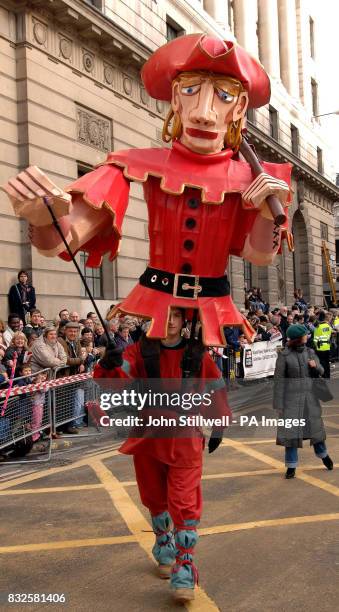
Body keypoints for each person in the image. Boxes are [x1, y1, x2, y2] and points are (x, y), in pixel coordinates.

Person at [3, 33, 292, 350]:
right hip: (153, 305)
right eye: (191, 91)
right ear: (176, 99)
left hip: (212, 308)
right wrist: (45, 218)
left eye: (223, 96)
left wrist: (266, 213)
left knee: (204, 392)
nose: (203, 113)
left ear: (239, 108)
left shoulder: (258, 180)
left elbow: (259, 256)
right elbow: (62, 242)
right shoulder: (131, 164)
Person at [94, 307, 231, 602]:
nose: (169, 321)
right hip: (148, 435)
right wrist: (109, 363)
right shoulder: (137, 351)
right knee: (154, 497)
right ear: (152, 319)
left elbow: (215, 388)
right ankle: (164, 545)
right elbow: (114, 382)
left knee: (183, 501)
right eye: (163, 315)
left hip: (184, 438)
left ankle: (184, 566)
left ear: (184, 321)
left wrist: (219, 422)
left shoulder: (198, 355)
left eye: (176, 316)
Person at [273, 323, 333, 479]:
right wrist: (279, 404)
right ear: (298, 338)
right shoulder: (284, 356)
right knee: (291, 435)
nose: (308, 336)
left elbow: (321, 370)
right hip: (291, 401)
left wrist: (315, 367)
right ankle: (291, 466)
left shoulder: (310, 352)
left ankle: (324, 455)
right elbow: (279, 382)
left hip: (310, 399)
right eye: (305, 334)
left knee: (316, 430)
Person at [58, 322, 86, 433]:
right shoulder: (61, 341)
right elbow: (67, 360)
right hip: (63, 377)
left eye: (75, 331)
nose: (73, 333)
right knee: (62, 404)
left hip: (74, 377)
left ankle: (70, 425)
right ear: (65, 331)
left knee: (71, 402)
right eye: (70, 331)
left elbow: (79, 357)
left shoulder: (77, 342)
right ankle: (61, 428)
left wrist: (81, 361)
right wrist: (81, 360)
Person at [313, 310, 332, 378]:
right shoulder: (328, 326)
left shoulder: (318, 327)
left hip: (320, 348)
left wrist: (315, 346)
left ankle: (323, 376)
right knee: (327, 363)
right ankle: (328, 376)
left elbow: (315, 340)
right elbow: (329, 336)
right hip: (327, 347)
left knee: (321, 363)